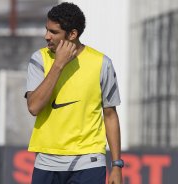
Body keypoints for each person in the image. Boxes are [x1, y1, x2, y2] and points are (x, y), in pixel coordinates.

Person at [25, 2, 123, 184]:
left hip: (89, 161)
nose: (46, 36)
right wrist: (59, 64)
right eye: (46, 30)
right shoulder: (39, 59)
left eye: (53, 32)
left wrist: (116, 165)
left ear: (72, 34)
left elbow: (110, 115)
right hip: (47, 161)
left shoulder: (102, 63)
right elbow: (34, 107)